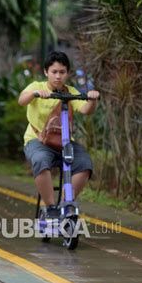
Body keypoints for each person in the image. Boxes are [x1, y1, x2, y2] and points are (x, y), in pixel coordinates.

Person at [18, 51, 100, 218]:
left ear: (67, 73)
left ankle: (65, 202)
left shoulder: (70, 92)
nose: (58, 76)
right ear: (46, 72)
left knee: (85, 163)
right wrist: (35, 94)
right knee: (40, 160)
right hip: (37, 141)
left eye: (62, 72)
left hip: (64, 143)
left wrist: (92, 99)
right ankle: (50, 208)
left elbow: (86, 110)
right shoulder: (36, 86)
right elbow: (21, 100)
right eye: (54, 72)